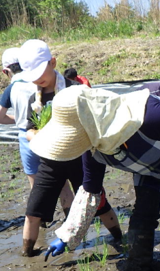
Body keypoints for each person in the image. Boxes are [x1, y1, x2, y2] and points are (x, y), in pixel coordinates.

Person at [28, 85, 160, 270]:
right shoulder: (93, 148)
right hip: (149, 170)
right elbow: (91, 192)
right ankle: (139, 265)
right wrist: (67, 235)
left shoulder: (151, 115)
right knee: (143, 216)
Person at [18, 39, 122, 256]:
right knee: (33, 211)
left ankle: (121, 241)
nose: (37, 79)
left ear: (53, 62)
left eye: (40, 72)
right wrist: (34, 135)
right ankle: (27, 255)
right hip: (50, 161)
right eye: (33, 75)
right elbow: (28, 128)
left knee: (98, 203)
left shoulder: (77, 90)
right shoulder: (33, 99)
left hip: (80, 159)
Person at [0, 48, 40, 188]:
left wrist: (19, 118)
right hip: (46, 132)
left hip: (26, 135)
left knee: (35, 185)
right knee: (62, 186)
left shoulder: (11, 89)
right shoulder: (40, 82)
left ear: (6, 71)